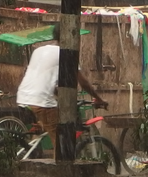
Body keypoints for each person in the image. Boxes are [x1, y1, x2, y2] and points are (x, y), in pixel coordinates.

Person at [15, 26, 107, 159]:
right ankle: (60, 170)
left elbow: (45, 80)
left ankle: (38, 144)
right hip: (41, 101)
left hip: (24, 97)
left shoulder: (39, 50)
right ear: (71, 38)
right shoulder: (67, 53)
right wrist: (99, 99)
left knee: (49, 124)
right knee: (61, 141)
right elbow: (83, 83)